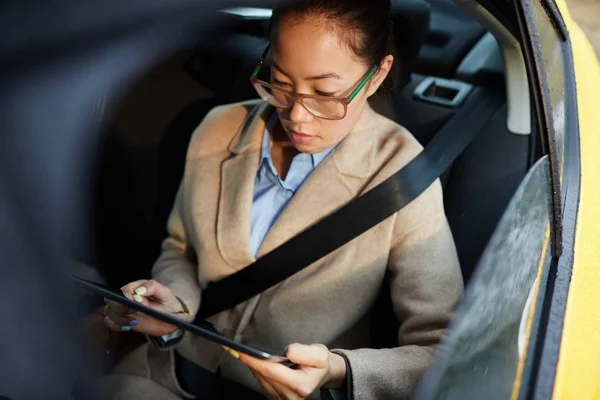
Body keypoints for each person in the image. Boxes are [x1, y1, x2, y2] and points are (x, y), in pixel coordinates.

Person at [98, 0, 464, 399]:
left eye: (325, 93)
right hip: (165, 373)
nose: (297, 117)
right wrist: (171, 304)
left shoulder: (401, 175)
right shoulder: (218, 129)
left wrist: (337, 370)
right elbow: (180, 248)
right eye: (280, 82)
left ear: (377, 75)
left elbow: (444, 349)